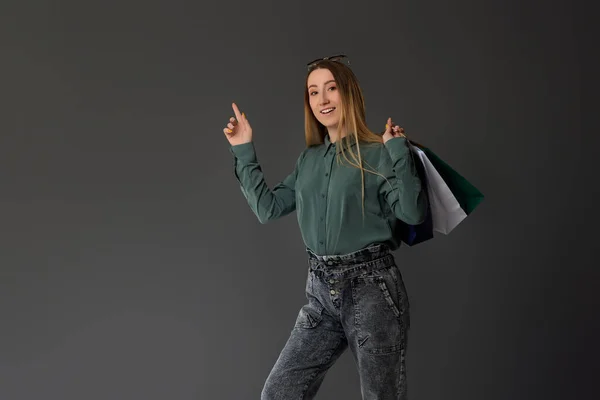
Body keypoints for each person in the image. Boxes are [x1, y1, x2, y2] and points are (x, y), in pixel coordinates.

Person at [222, 55, 428, 400]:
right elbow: (268, 209)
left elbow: (413, 212)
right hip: (320, 291)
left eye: (331, 88)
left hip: (372, 290)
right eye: (313, 92)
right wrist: (243, 149)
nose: (323, 99)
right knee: (280, 392)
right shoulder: (309, 160)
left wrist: (397, 150)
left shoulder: (378, 153)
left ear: (349, 94)